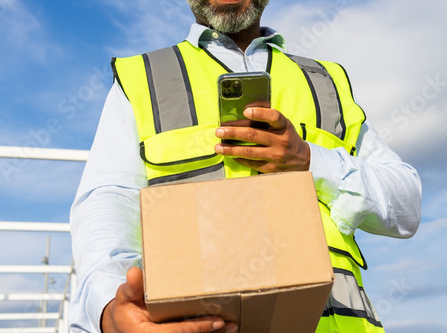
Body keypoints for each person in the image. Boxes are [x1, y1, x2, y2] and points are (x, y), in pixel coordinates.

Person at [69, 0, 422, 332]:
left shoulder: (327, 83)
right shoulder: (141, 79)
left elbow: (406, 205)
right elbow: (107, 204)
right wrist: (107, 309)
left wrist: (312, 160)